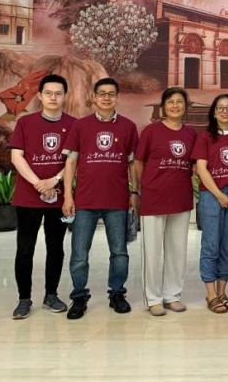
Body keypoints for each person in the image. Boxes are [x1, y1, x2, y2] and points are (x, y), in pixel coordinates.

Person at [61, 78, 139, 320]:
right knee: (79, 254)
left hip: (117, 201)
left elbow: (132, 164)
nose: (106, 98)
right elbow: (70, 162)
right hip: (84, 201)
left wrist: (134, 192)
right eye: (102, 93)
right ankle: (79, 297)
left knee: (119, 252)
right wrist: (68, 195)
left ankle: (117, 293)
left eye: (111, 94)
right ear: (94, 97)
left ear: (117, 97)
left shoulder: (128, 127)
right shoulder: (81, 125)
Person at [9, 74, 76, 320]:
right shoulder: (25, 123)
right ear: (39, 96)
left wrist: (54, 180)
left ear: (65, 96)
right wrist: (38, 183)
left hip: (58, 197)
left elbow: (74, 160)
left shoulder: (74, 124)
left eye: (58, 93)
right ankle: (24, 299)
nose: (53, 97)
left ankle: (51, 295)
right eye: (48, 93)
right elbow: (17, 156)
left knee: (55, 248)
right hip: (28, 197)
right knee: (25, 248)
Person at [134, 87, 197, 316]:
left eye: (179, 102)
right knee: (152, 252)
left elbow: (194, 165)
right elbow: (138, 163)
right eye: (170, 102)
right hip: (154, 198)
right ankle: (153, 299)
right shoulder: (151, 131)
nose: (175, 106)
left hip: (180, 198)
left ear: (185, 106)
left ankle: (172, 295)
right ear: (163, 106)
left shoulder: (191, 134)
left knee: (177, 250)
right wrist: (138, 190)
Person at [192, 93, 228, 314]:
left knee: (227, 245)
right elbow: (201, 169)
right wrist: (218, 195)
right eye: (220, 108)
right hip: (211, 195)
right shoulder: (205, 137)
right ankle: (211, 294)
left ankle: (222, 291)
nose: (224, 111)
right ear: (214, 113)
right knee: (211, 244)